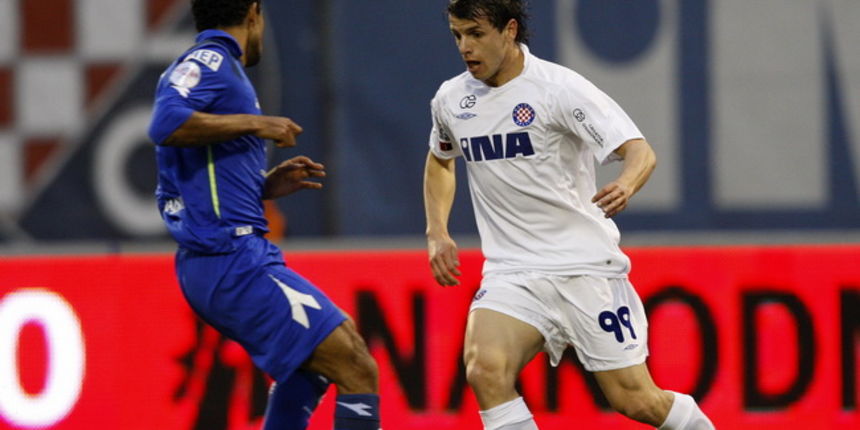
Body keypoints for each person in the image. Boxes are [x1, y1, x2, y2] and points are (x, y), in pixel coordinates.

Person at [423, 1, 715, 429]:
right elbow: (441, 160)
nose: (465, 47)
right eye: (457, 35)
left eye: (476, 34)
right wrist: (437, 231)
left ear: (509, 30)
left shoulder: (559, 90)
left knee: (636, 401)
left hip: (583, 269)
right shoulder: (452, 99)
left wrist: (626, 184)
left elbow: (639, 151)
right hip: (513, 271)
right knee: (484, 369)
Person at [147, 1, 381, 429]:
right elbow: (165, 122)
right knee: (356, 364)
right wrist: (256, 124)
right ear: (254, 12)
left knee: (312, 366)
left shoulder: (215, 68)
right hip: (228, 258)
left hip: (232, 255)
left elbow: (202, 174)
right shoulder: (210, 61)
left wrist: (264, 187)